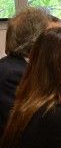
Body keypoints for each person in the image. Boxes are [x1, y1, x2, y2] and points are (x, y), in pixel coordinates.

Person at [0, 7, 52, 136]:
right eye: (50, 35)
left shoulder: (23, 66)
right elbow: (25, 124)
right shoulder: (12, 74)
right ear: (36, 39)